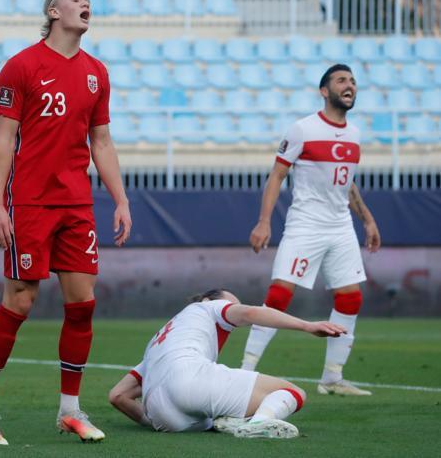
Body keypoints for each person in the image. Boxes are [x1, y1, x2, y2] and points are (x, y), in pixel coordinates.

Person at [0, 0, 132, 445]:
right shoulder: (21, 66)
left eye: (88, 0)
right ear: (53, 10)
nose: (86, 3)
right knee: (19, 301)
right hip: (30, 203)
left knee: (83, 305)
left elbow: (101, 141)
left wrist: (120, 198)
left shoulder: (97, 72)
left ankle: (70, 410)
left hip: (77, 204)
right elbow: (5, 141)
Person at [240, 64, 381, 396]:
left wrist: (368, 220)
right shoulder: (302, 129)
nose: (350, 86)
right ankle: (244, 371)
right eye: (341, 81)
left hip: (341, 226)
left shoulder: (355, 134)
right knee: (279, 296)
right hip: (305, 224)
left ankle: (332, 377)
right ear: (324, 91)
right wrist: (264, 221)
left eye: (353, 81)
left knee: (350, 297)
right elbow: (276, 175)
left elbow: (346, 184)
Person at [108, 289, 346, 438]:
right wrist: (307, 326)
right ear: (207, 299)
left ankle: (237, 422)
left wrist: (153, 420)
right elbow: (251, 313)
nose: (233, 308)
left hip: (162, 415)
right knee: (293, 392)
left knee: (215, 418)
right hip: (189, 381)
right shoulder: (207, 306)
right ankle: (259, 424)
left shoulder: (160, 339)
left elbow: (118, 396)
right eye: (231, 303)